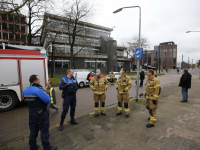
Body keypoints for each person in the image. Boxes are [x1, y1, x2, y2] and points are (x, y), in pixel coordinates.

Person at [23, 75, 57, 150]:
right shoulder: (38, 90)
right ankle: (47, 148)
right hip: (41, 114)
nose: (40, 80)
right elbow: (47, 100)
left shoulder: (25, 90)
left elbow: (25, 99)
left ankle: (33, 147)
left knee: (33, 131)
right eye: (39, 79)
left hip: (32, 114)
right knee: (44, 131)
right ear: (35, 81)